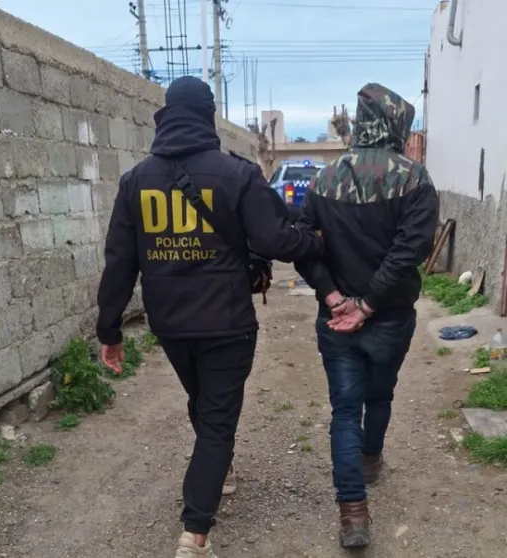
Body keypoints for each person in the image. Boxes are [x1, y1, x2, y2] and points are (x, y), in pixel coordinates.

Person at [95, 76, 322, 558]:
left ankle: (221, 470)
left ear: (166, 115)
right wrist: (314, 242)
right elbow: (275, 240)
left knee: (203, 402)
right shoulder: (236, 174)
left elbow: (119, 261)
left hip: (170, 324)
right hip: (227, 322)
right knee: (216, 421)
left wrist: (109, 330)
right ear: (207, 115)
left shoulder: (135, 181)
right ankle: (194, 535)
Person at [294, 83, 438, 548]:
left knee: (343, 410)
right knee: (379, 395)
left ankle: (353, 514)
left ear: (359, 123)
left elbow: (302, 246)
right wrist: (369, 304)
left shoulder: (322, 180)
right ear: (396, 124)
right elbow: (409, 251)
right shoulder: (414, 179)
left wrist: (335, 297)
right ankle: (370, 460)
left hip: (336, 318)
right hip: (389, 316)